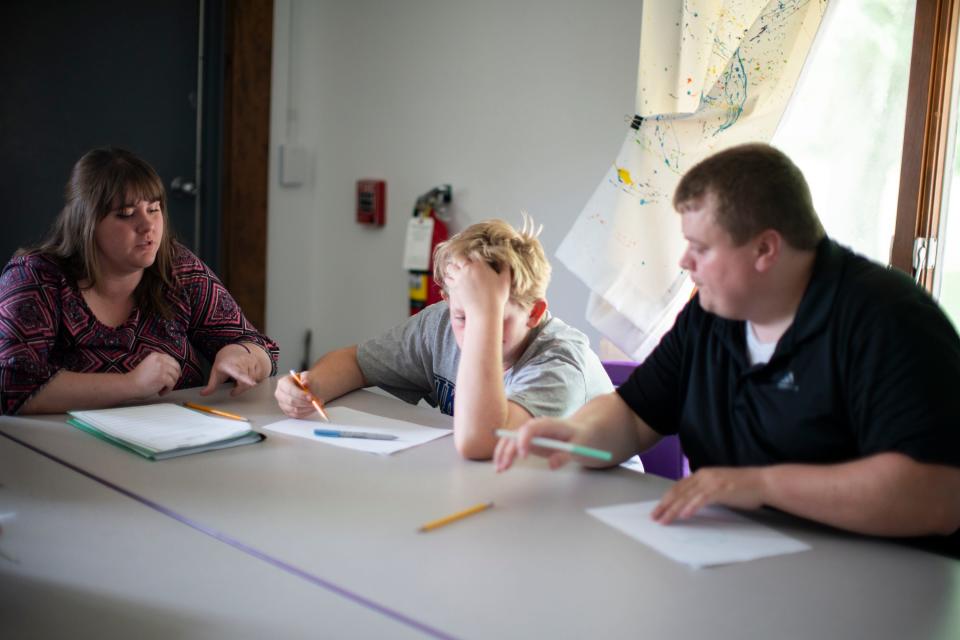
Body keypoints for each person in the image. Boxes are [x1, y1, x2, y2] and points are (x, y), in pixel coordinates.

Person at [494, 143, 960, 545]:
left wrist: (761, 485)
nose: (684, 260)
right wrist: (577, 435)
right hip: (742, 562)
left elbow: (935, 495)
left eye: (701, 247)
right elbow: (636, 416)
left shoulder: (889, 321)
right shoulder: (713, 314)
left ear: (765, 249)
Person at [275, 216, 613, 459]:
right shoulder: (438, 325)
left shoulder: (562, 361)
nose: (476, 331)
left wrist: (480, 315)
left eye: (493, 316)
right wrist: (312, 387)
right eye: (463, 316)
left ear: (535, 313)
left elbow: (484, 443)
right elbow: (354, 362)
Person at [0, 147, 278, 415]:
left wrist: (243, 355)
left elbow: (261, 347)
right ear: (86, 222)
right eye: (127, 214)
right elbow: (10, 384)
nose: (148, 226)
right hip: (64, 448)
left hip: (177, 440)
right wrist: (131, 384)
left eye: (154, 209)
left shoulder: (177, 265)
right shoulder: (35, 276)